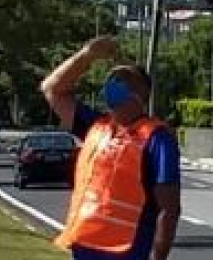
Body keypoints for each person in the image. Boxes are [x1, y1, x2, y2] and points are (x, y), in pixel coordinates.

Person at [41, 35, 181, 260]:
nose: (110, 87)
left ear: (139, 95)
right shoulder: (97, 126)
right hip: (85, 248)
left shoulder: (156, 139)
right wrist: (87, 56)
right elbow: (52, 90)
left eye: (120, 83)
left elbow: (169, 208)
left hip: (128, 251)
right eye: (110, 82)